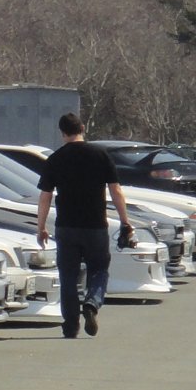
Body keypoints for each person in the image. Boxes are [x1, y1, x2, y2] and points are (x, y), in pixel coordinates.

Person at [34, 112, 133, 339]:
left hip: (66, 226)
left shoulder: (56, 159)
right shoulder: (100, 155)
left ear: (62, 133)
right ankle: (92, 302)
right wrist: (125, 221)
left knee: (68, 275)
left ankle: (70, 325)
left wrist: (41, 227)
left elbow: (45, 196)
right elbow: (115, 190)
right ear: (83, 128)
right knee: (99, 269)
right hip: (95, 225)